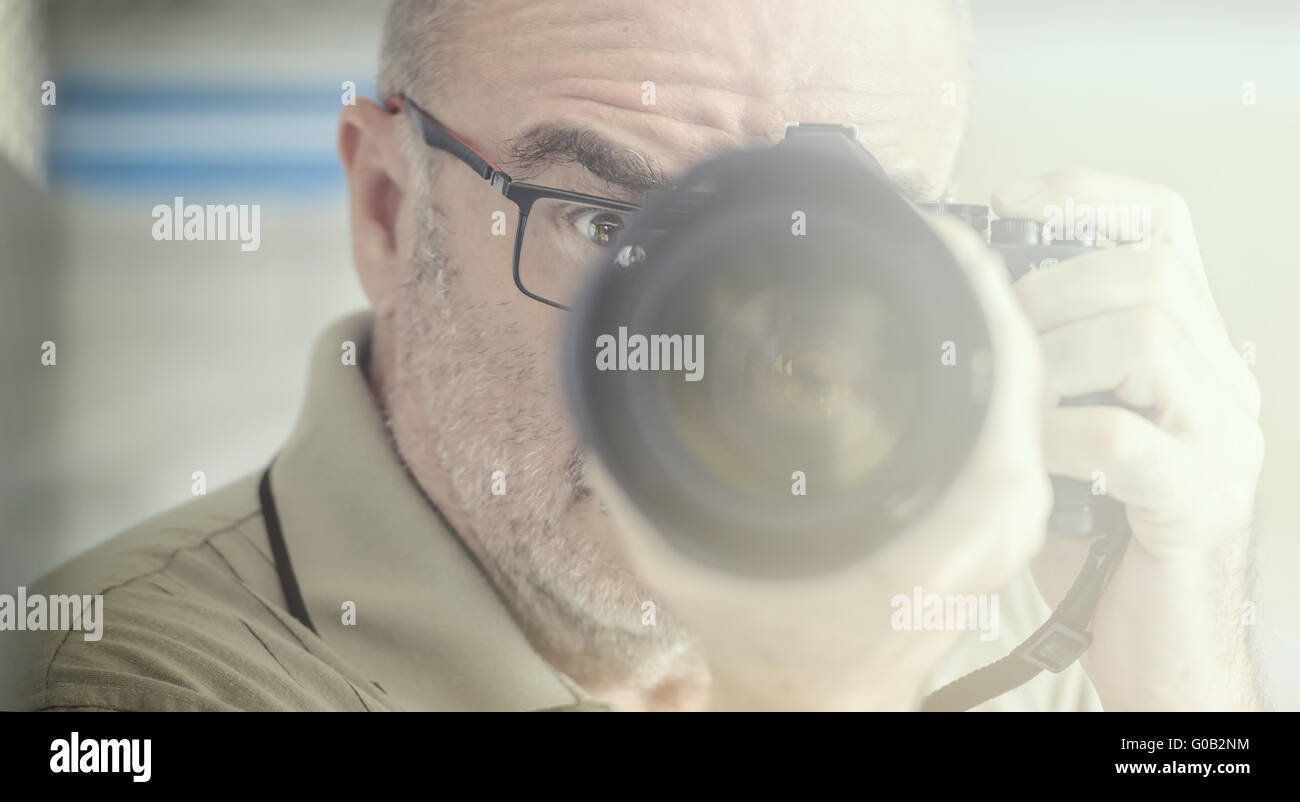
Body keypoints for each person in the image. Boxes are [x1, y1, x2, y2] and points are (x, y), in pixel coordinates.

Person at [16, 0, 1262, 711]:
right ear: (388, 212)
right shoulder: (128, 684)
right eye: (609, 224)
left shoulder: (988, 610)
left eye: (830, 236)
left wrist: (1177, 648)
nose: (732, 352)